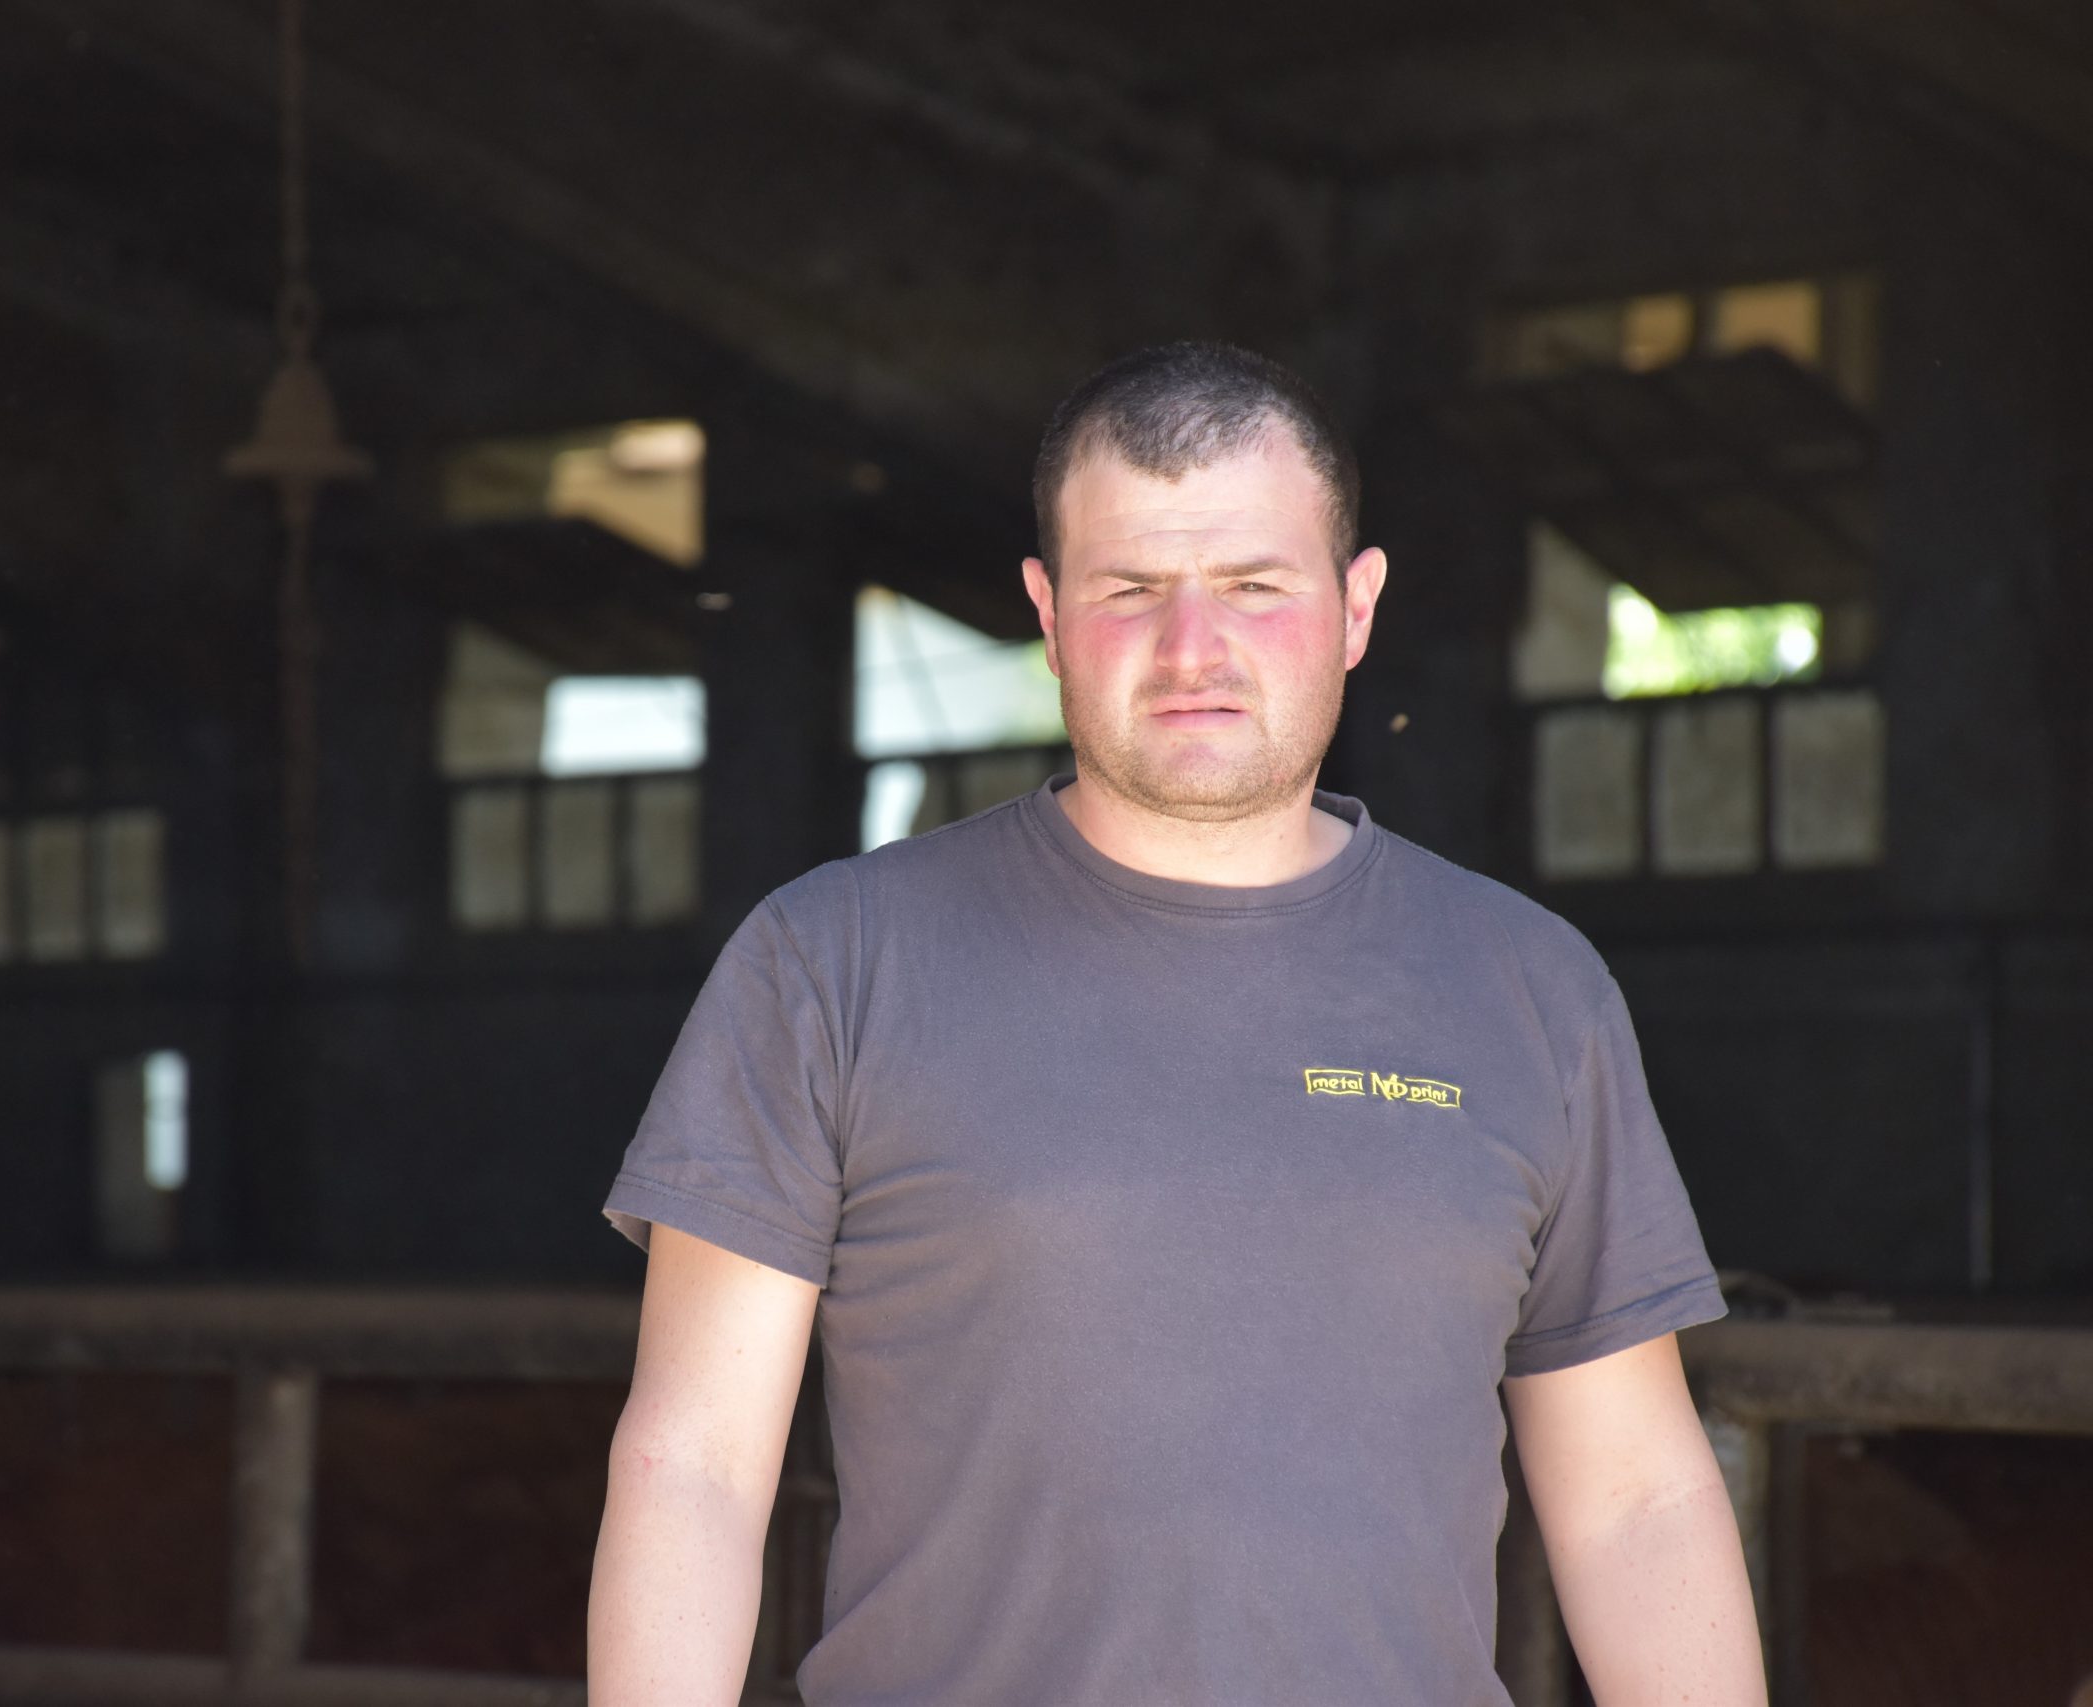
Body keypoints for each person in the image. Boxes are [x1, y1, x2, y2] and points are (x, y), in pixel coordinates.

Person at [588, 342, 1764, 1706]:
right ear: (1045, 608)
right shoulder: (832, 963)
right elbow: (696, 1468)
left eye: (1256, 589)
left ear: (1355, 605)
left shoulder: (1527, 986)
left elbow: (1637, 1501)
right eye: (1130, 590)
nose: (1191, 650)